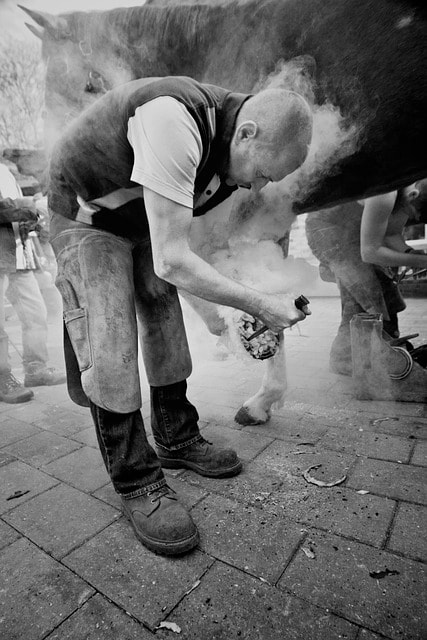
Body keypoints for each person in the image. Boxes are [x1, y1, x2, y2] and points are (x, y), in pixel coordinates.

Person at [48, 75, 312, 555]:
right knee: (110, 333)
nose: (259, 185)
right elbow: (174, 259)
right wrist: (257, 304)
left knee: (164, 313)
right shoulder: (174, 118)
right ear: (247, 132)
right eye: (264, 173)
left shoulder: (228, 162)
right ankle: (136, 478)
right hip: (87, 215)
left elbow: (190, 257)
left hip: (140, 223)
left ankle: (174, 434)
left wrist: (223, 316)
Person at [305, 181, 427, 375]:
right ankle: (344, 358)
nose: (410, 219)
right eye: (414, 215)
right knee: (366, 290)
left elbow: (392, 234)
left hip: (353, 234)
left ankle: (382, 345)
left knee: (385, 288)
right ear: (413, 196)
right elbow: (370, 252)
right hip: (328, 230)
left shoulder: (406, 191)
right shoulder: (386, 193)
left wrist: (413, 255)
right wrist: (420, 262)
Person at [0, 162, 65, 404]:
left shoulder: (5, 169)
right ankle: (2, 377)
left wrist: (32, 218)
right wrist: (29, 206)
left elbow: (13, 206)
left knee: (35, 313)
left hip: (18, 251)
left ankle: (36, 368)